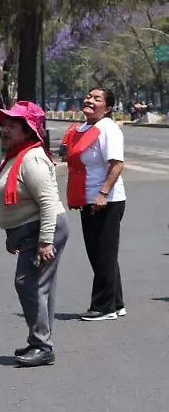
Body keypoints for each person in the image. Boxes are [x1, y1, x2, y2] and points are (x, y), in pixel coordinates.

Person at [0, 101, 68, 367]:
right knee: (40, 286)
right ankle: (41, 341)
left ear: (28, 131)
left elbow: (47, 202)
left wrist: (45, 241)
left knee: (29, 284)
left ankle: (42, 345)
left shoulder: (32, 158)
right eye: (5, 125)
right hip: (30, 231)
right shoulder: (17, 155)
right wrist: (13, 235)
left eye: (12, 126)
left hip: (43, 229)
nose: (5, 130)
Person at [61, 88, 126, 322]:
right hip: (87, 199)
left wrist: (103, 193)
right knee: (100, 253)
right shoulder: (83, 127)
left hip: (106, 200)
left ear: (107, 108)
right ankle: (116, 303)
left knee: (102, 253)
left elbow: (117, 164)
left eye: (97, 99)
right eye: (89, 96)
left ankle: (103, 306)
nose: (90, 100)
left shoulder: (108, 128)